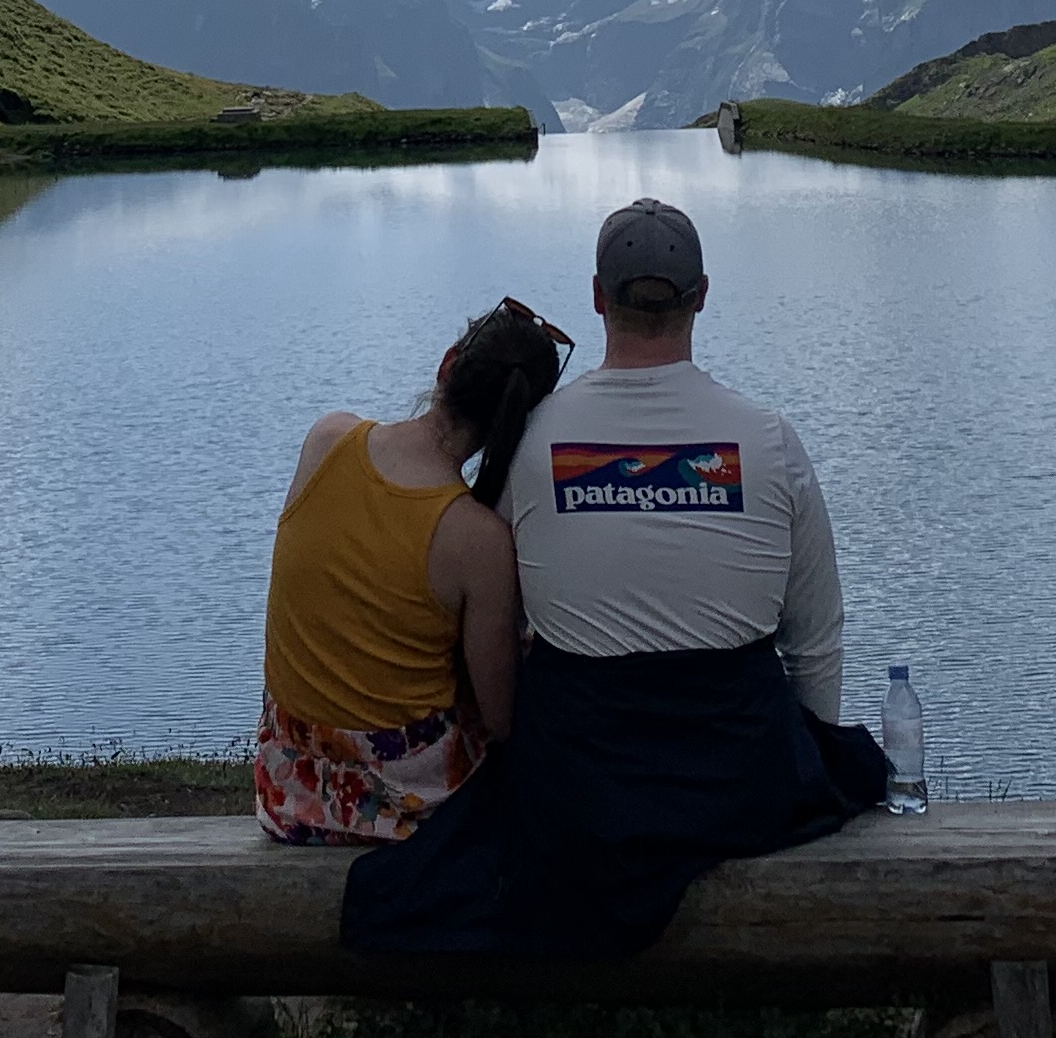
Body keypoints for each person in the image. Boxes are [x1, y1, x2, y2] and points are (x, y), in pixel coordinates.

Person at [344, 196, 885, 959]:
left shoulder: (535, 440)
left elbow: (488, 611)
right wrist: (808, 752)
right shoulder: (771, 441)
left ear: (598, 298)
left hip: (581, 789)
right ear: (702, 296)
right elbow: (817, 639)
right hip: (738, 783)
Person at [253, 297, 572, 845]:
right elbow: (501, 721)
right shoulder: (477, 539)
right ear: (516, 424)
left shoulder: (329, 438)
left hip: (291, 786)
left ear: (448, 363)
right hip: (402, 803)